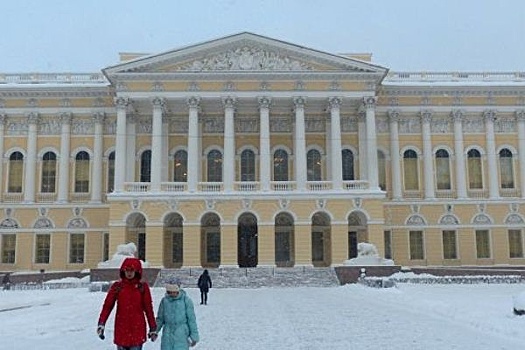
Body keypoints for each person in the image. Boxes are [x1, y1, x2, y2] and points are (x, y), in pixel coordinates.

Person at [97, 257, 157, 350]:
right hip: (122, 330)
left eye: (132, 270)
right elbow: (107, 306)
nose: (129, 273)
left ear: (137, 271)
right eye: (127, 270)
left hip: (137, 331)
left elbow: (148, 309)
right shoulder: (117, 287)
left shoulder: (142, 288)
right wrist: (101, 322)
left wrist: (153, 327)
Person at [150, 281, 200, 350]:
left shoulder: (186, 301)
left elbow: (191, 320)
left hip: (182, 334)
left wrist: (194, 336)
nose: (173, 294)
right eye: (170, 292)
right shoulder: (164, 301)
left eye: (174, 292)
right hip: (167, 335)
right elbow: (160, 319)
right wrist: (155, 331)